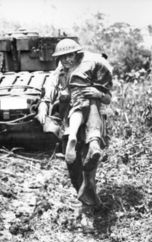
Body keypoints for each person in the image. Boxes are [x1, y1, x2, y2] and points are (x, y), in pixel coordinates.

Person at [37, 38, 113, 209]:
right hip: (69, 123)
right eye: (62, 57)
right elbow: (49, 90)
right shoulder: (59, 73)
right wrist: (44, 105)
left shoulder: (89, 70)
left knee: (89, 164)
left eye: (69, 56)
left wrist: (98, 94)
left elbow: (108, 98)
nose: (66, 60)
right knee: (72, 164)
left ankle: (91, 200)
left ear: (77, 55)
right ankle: (84, 196)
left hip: (90, 124)